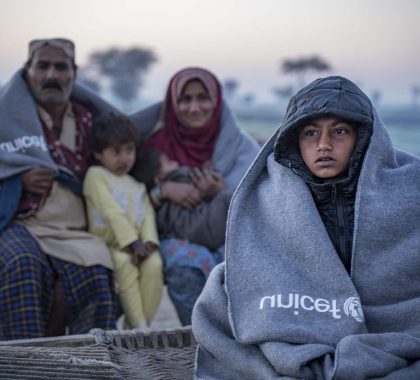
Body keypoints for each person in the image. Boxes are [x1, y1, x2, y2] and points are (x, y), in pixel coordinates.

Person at [192, 76, 420, 379]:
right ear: (293, 139)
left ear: (364, 137)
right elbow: (260, 271)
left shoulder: (409, 186)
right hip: (297, 318)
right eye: (311, 132)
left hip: (389, 323)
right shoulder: (268, 196)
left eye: (340, 131)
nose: (324, 144)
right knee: (219, 287)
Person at [0, 38, 117, 339]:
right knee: (20, 263)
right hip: (22, 224)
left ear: (73, 73)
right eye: (42, 66)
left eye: (60, 67)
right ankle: (22, 366)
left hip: (75, 230)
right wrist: (16, 178)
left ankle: (92, 367)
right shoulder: (6, 117)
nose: (52, 75)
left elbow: (123, 157)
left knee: (97, 273)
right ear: (27, 71)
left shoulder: (89, 120)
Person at [130, 67, 260, 325]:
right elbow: (130, 199)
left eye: (203, 97)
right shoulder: (154, 148)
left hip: (230, 237)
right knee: (184, 265)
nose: (194, 107)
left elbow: (258, 198)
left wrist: (220, 194)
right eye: (185, 99)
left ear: (217, 101)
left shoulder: (240, 146)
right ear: (172, 103)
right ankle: (198, 341)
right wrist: (163, 190)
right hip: (175, 236)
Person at [83, 112, 163, 330]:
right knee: (124, 264)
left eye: (129, 150)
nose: (124, 158)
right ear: (99, 153)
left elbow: (147, 214)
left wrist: (149, 242)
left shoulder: (136, 185)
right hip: (106, 245)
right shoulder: (95, 176)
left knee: (154, 265)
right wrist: (132, 244)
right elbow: (111, 211)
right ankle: (141, 329)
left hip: (138, 245)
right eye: (115, 151)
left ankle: (135, 328)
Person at [131, 147, 232, 251]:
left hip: (190, 234)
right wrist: (207, 172)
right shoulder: (178, 176)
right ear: (159, 178)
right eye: (169, 162)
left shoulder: (154, 207)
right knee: (228, 198)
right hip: (203, 227)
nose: (176, 163)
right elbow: (197, 184)